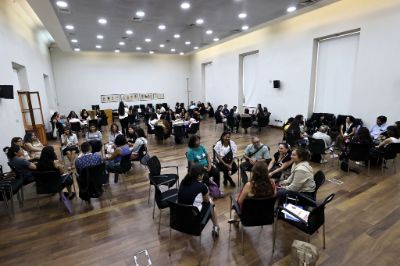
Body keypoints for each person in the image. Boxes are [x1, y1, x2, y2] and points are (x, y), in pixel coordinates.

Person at [178, 163, 220, 237]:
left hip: (181, 217)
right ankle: (216, 227)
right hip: (194, 219)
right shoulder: (201, 186)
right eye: (203, 174)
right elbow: (206, 201)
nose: (204, 175)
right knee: (211, 204)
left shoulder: (183, 182)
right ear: (199, 176)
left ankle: (216, 227)